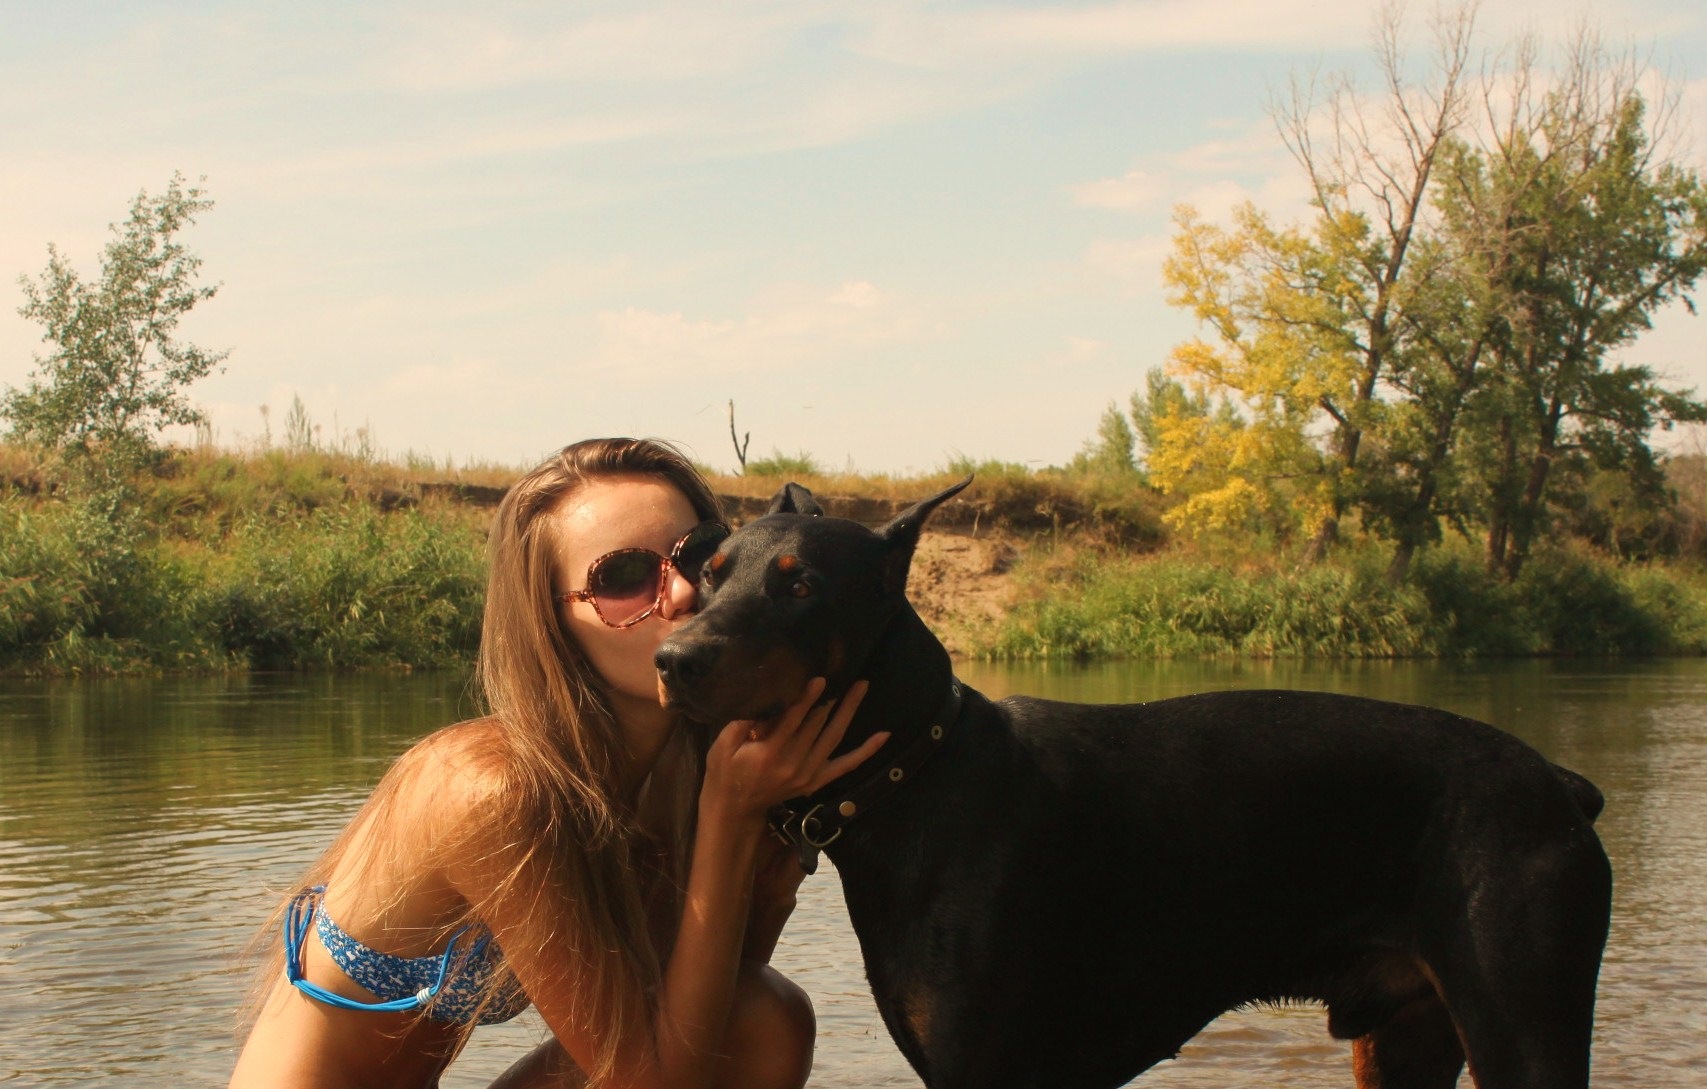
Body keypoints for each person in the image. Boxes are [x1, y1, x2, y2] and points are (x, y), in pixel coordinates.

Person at [229, 437, 886, 1089]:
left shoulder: (678, 768)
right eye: (623, 577)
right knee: (762, 1020)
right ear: (550, 620)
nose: (685, 590)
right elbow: (653, 1084)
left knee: (761, 1018)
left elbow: (712, 1004)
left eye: (698, 555)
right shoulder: (489, 789)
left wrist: (768, 869)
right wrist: (729, 817)